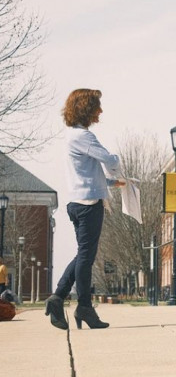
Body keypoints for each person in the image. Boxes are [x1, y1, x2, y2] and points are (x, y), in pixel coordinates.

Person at [44, 89, 123, 331]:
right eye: (97, 107)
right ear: (86, 109)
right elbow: (109, 161)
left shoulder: (72, 136)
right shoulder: (83, 136)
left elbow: (86, 173)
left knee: (83, 255)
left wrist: (111, 183)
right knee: (86, 257)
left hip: (78, 202)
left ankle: (59, 298)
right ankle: (83, 306)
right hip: (89, 205)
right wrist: (116, 162)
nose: (100, 111)